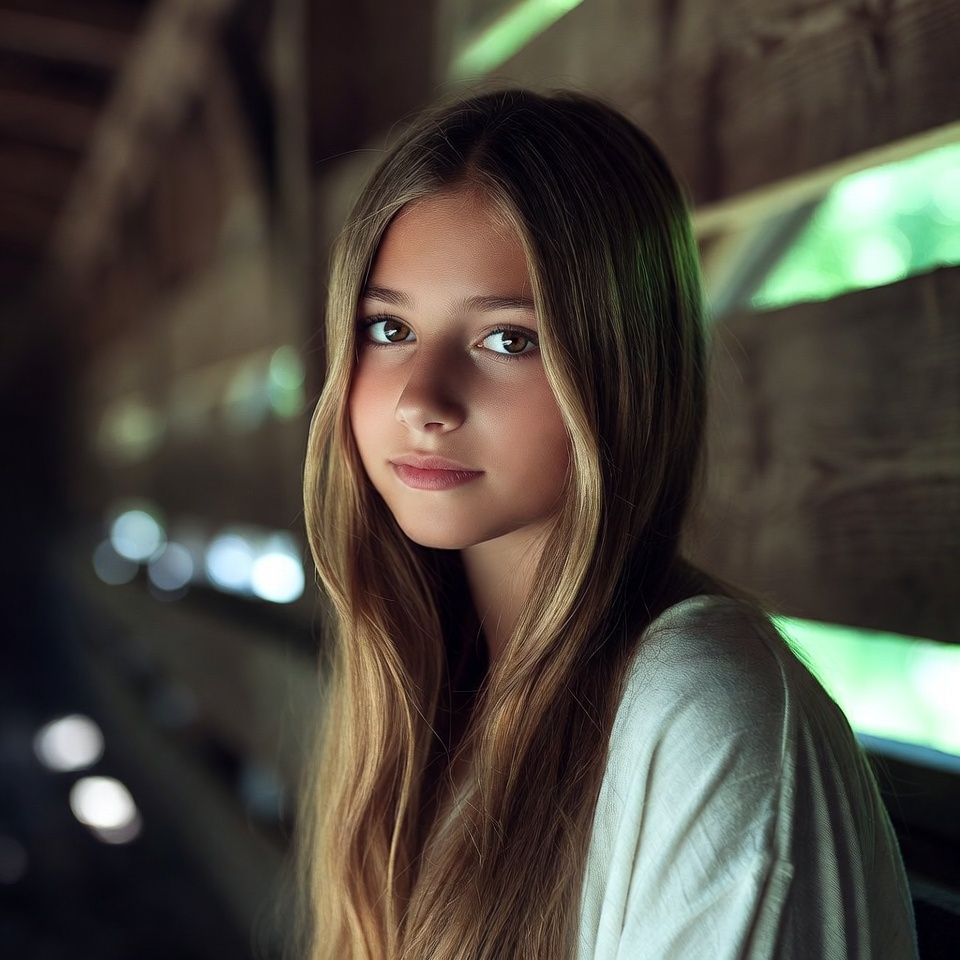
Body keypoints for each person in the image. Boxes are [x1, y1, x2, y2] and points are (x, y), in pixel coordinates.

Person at [296, 88, 917, 959]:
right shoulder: (430, 689)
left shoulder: (707, 714)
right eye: (389, 327)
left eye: (508, 339)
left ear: (623, 369)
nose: (421, 401)